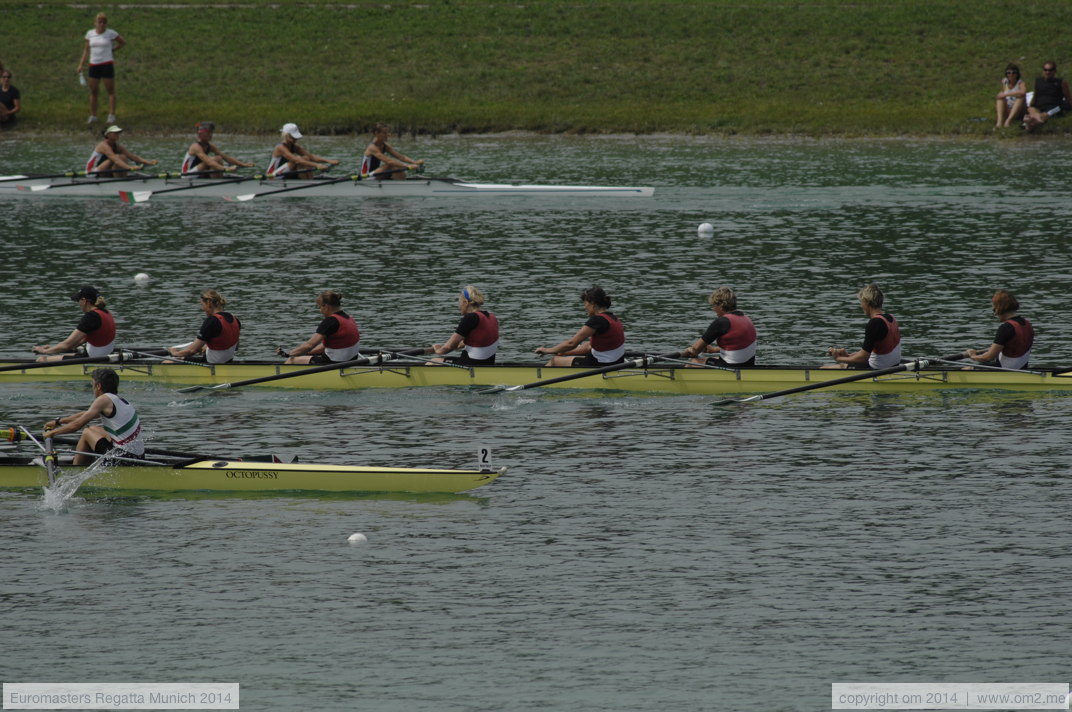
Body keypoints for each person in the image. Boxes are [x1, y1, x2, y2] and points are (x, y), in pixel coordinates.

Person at [42, 368, 144, 465]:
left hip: (123, 458)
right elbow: (85, 414)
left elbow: (77, 425)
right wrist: (58, 422)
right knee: (93, 428)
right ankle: (83, 462)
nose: (93, 388)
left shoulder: (103, 400)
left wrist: (51, 433)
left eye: (92, 385)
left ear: (98, 386)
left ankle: (75, 469)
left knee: (87, 432)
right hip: (137, 456)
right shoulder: (118, 400)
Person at [535, 286, 625, 367]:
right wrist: (561, 352)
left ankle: (537, 379)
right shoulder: (613, 318)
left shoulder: (597, 320)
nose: (584, 307)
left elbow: (571, 343)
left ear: (593, 304)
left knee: (555, 361)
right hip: (616, 362)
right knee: (561, 355)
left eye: (585, 303)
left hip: (601, 364)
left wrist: (547, 350)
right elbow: (588, 347)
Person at [825, 283, 902, 369]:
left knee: (824, 369)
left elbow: (863, 358)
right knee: (841, 366)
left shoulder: (874, 323)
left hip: (876, 369)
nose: (861, 305)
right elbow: (868, 352)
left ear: (867, 302)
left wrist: (838, 358)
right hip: (893, 367)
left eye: (861, 302)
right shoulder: (891, 318)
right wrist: (848, 356)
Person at [32, 285, 116, 362]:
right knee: (64, 355)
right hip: (101, 355)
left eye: (78, 300)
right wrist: (53, 348)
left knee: (42, 359)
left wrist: (44, 351)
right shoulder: (106, 313)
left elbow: (67, 345)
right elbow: (78, 342)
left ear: (84, 301)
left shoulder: (91, 317)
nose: (78, 304)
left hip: (94, 359)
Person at [276, 290, 361, 364]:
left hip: (334, 363)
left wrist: (288, 354)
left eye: (319, 307)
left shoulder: (330, 321)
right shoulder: (349, 318)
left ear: (326, 307)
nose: (320, 310)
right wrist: (307, 353)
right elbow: (323, 346)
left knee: (292, 360)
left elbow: (309, 345)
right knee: (303, 356)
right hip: (351, 361)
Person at [680, 287, 757, 367]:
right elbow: (740, 346)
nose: (713, 309)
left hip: (731, 367)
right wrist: (714, 350)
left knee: (692, 362)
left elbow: (696, 349)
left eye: (714, 305)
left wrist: (691, 350)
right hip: (748, 365)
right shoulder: (747, 319)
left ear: (721, 305)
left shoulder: (722, 322)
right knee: (714, 358)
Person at [963, 290, 1034, 370]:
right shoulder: (1027, 324)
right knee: (981, 364)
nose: (995, 314)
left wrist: (973, 355)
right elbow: (1013, 347)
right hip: (1021, 369)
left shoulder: (1006, 328)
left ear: (1000, 308)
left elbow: (987, 357)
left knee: (966, 369)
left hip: (1005, 370)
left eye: (994, 309)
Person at [429, 285, 500, 365]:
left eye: (459, 302)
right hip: (488, 363)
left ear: (465, 303)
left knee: (432, 361)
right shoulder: (491, 316)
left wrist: (438, 350)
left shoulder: (470, 318)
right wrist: (457, 345)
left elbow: (449, 347)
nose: (459, 306)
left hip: (470, 364)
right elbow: (470, 342)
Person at [76, 12, 124, 125]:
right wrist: (81, 64)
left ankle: (111, 115)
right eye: (99, 22)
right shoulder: (90, 34)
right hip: (94, 64)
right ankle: (93, 115)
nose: (101, 24)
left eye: (103, 22)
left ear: (106, 23)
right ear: (95, 23)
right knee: (93, 91)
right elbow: (86, 50)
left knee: (110, 90)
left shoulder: (110, 33)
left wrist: (113, 50)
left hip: (106, 64)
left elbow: (122, 42)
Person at [168, 289, 241, 364]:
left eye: (202, 304)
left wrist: (175, 353)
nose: (202, 308)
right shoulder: (235, 319)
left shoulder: (212, 321)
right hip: (227, 361)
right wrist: (208, 346)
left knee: (168, 361)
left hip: (212, 363)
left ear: (209, 303)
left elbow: (192, 351)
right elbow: (235, 347)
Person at [181, 121, 253, 177]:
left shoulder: (210, 146)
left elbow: (226, 157)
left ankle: (218, 179)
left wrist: (243, 164)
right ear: (200, 134)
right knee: (215, 159)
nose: (210, 135)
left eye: (211, 133)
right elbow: (208, 161)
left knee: (219, 157)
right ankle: (218, 181)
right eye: (208, 133)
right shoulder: (195, 147)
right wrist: (225, 169)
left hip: (199, 173)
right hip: (188, 175)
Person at [267, 123, 338, 178]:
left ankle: (309, 180)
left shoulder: (295, 146)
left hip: (286, 173)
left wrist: (328, 161)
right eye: (293, 137)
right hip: (272, 176)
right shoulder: (280, 147)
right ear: (286, 135)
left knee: (306, 158)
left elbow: (311, 156)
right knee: (299, 159)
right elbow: (296, 161)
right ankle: (308, 182)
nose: (296, 139)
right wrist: (317, 165)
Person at [86, 125, 157, 176]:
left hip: (104, 170)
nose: (117, 135)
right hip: (92, 172)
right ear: (108, 135)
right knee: (116, 158)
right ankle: (120, 181)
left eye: (118, 133)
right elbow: (115, 160)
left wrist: (147, 162)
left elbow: (132, 156)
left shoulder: (117, 146)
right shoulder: (103, 145)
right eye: (115, 133)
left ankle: (122, 179)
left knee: (123, 156)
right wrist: (130, 167)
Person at [1023, 62, 1072, 131]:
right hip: (1039, 106)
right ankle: (1034, 121)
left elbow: (1068, 98)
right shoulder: (1038, 81)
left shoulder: (1060, 82)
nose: (1047, 72)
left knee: (1044, 115)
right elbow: (1035, 95)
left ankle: (1031, 123)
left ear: (1054, 71)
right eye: (1045, 70)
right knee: (1031, 109)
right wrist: (1031, 105)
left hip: (1054, 106)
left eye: (1050, 70)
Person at [995, 63, 1026, 128]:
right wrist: (1001, 94)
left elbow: (1023, 92)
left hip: (1018, 110)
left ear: (1017, 74)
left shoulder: (1020, 83)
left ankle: (1008, 121)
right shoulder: (1005, 82)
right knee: (1000, 99)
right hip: (1007, 108)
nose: (1011, 75)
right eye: (1009, 73)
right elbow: (1003, 91)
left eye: (1013, 73)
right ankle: (999, 123)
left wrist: (1006, 94)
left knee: (1020, 97)